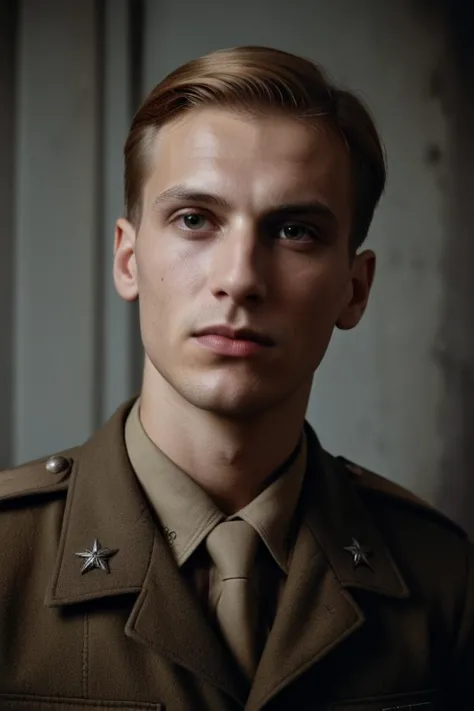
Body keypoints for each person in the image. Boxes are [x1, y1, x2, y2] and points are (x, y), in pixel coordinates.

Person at [0, 45, 472, 711]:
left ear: (355, 290)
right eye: (195, 219)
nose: (241, 278)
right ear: (128, 259)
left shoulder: (442, 577)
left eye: (296, 231)